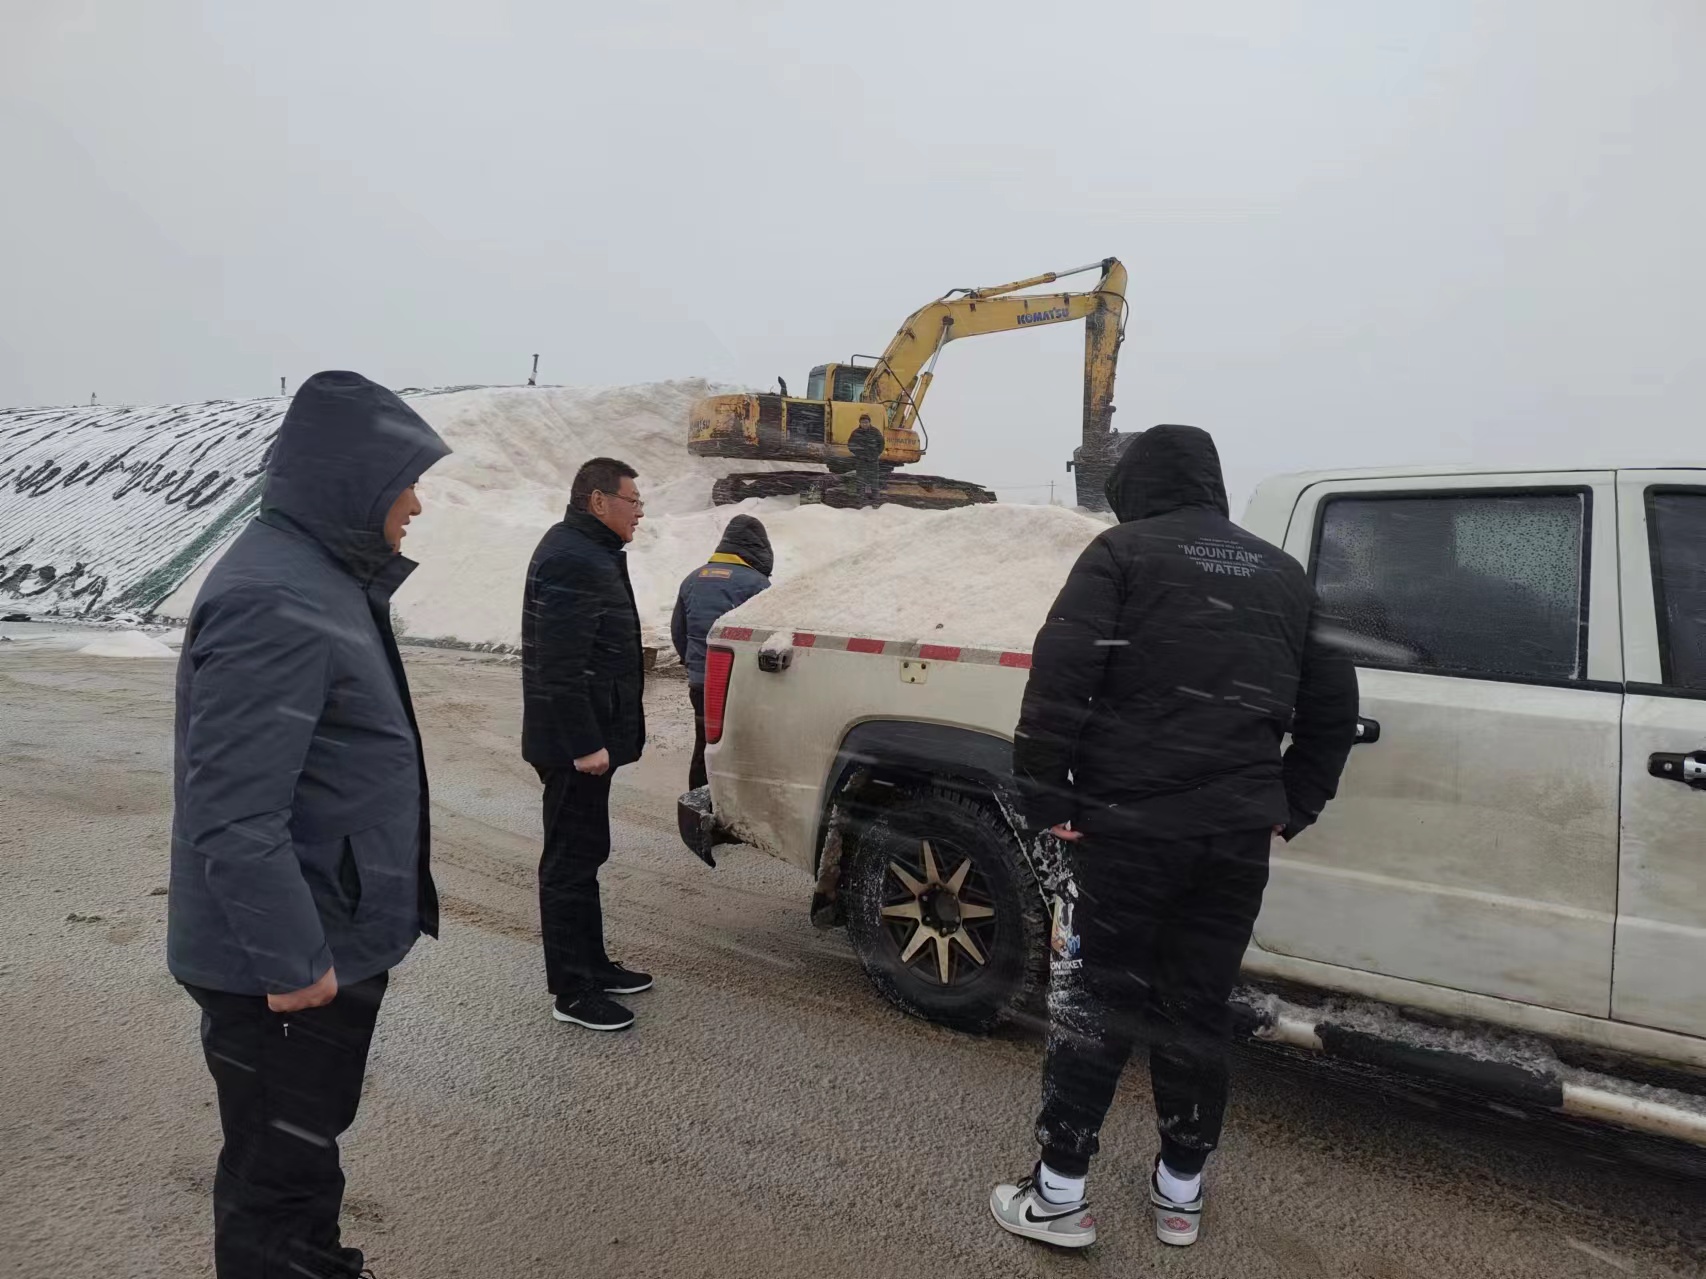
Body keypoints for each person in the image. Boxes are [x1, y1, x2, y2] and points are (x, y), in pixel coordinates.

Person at [989, 425, 1359, 1251]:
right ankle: (1179, 1190)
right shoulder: (1282, 572)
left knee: (1099, 1000)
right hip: (1232, 837)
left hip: (1129, 827)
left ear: (1138, 485)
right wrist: (1292, 800)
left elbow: (1061, 678)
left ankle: (1059, 1194)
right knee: (1197, 1005)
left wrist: (1049, 793)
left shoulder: (1122, 554)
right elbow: (1335, 705)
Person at [168, 370, 450, 1279]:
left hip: (319, 933)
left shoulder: (314, 577)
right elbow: (232, 810)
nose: (416, 502)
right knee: (278, 1175)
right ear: (354, 479)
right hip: (287, 965)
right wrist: (293, 962)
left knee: (296, 1154)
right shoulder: (274, 596)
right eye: (406, 480)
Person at [521, 457, 652, 1032]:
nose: (639, 512)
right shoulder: (573, 557)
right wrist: (583, 743)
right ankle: (572, 991)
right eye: (633, 501)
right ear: (599, 501)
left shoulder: (590, 550)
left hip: (591, 740)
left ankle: (592, 965)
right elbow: (559, 664)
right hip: (575, 748)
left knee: (585, 854)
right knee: (569, 863)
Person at [670, 515, 774, 790]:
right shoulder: (757, 585)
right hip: (739, 687)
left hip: (701, 685)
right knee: (739, 749)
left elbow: (678, 631)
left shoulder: (692, 579)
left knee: (704, 745)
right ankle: (732, 804)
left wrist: (694, 664)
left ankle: (697, 802)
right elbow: (766, 639)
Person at [847, 414, 886, 506]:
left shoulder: (875, 432)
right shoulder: (856, 433)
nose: (865, 424)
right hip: (861, 461)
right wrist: (859, 454)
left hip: (873, 461)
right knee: (860, 482)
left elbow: (881, 444)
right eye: (863, 422)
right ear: (860, 423)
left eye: (866, 422)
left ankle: (875, 501)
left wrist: (875, 454)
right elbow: (850, 445)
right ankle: (860, 501)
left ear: (869, 422)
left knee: (874, 481)